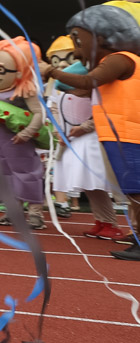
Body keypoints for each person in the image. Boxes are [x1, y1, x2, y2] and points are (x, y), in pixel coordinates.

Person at [44, 2, 140, 260]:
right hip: (120, 134)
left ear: (101, 35)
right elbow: (84, 88)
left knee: (136, 190)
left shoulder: (119, 59)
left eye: (78, 39)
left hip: (130, 134)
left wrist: (52, 71)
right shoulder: (115, 63)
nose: (75, 50)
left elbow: (88, 81)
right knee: (132, 190)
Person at [46, 37, 125, 240]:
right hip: (72, 138)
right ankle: (101, 221)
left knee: (97, 181)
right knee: (88, 184)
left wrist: (85, 127)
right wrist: (59, 131)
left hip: (92, 139)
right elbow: (54, 107)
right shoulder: (60, 86)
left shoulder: (96, 85)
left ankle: (112, 223)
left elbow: (103, 111)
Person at [0, 37, 50, 230]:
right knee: (5, 174)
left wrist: (28, 133)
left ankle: (35, 214)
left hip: (18, 139)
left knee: (27, 173)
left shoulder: (25, 89)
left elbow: (39, 113)